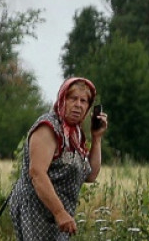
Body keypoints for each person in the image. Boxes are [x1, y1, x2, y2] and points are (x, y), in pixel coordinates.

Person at [10, 77, 107, 239]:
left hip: (58, 213)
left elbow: (90, 175)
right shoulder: (48, 127)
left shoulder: (75, 135)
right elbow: (37, 173)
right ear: (62, 99)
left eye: (84, 101)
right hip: (36, 210)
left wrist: (96, 138)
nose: (78, 105)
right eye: (73, 98)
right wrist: (59, 212)